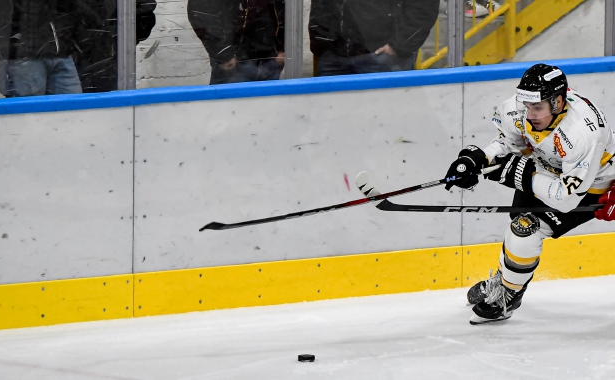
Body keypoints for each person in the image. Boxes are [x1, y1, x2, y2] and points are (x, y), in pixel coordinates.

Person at [443, 63, 615, 325]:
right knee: (517, 226)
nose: (530, 114)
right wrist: (479, 158)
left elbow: (566, 199)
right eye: (527, 106)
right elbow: (510, 143)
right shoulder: (521, 107)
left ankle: (508, 296)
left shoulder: (583, 133)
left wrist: (519, 175)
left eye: (538, 108)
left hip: (591, 185)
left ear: (558, 102)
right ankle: (505, 280)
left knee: (526, 229)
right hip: (545, 168)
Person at [308, 0, 440, 76]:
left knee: (388, 118)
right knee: (331, 120)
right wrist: (321, 39)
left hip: (382, 57)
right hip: (334, 54)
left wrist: (398, 46)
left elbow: (423, 7)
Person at [0, 0, 83, 97]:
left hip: (60, 51)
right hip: (25, 55)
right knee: (30, 109)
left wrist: (70, 41)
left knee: (74, 107)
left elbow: (71, 10)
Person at [187, 0, 285, 85]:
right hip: (234, 63)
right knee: (227, 104)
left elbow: (287, 9)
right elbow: (200, 10)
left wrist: (283, 49)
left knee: (269, 105)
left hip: (271, 59)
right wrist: (224, 54)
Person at [75, 0, 157, 93]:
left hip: (108, 53)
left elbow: (147, 8)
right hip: (79, 52)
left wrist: (129, 34)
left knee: (107, 97)